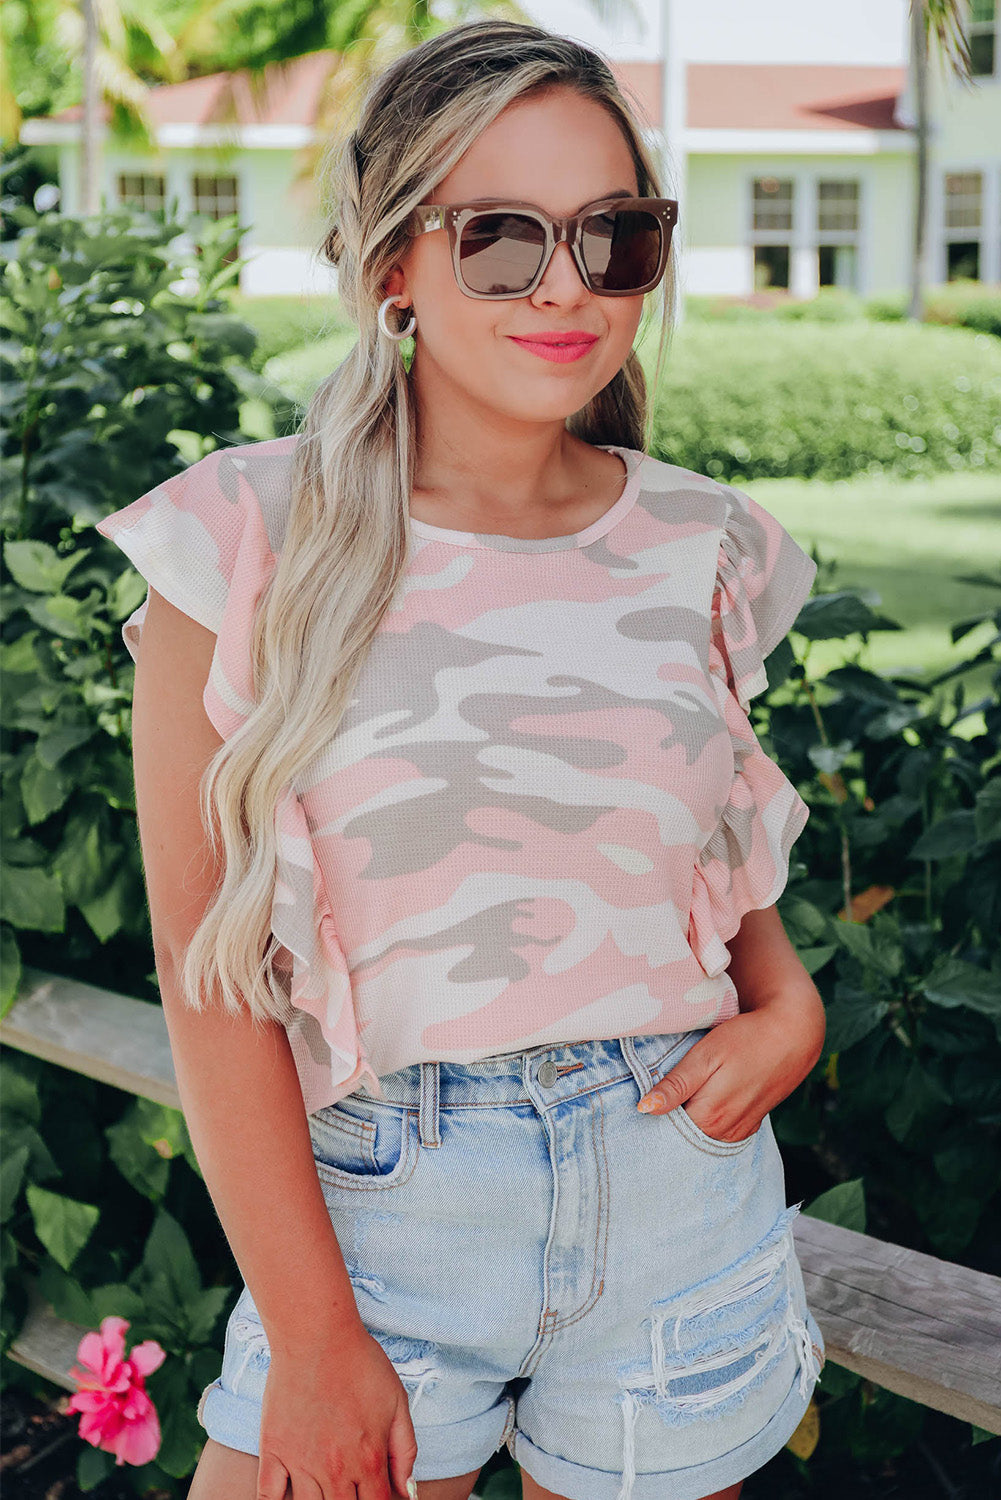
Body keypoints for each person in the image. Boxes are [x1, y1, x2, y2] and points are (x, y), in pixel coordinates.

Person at [95, 19, 827, 1500]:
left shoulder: (707, 546)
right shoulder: (238, 548)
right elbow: (208, 977)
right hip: (373, 1227)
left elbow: (704, 860)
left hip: (678, 1201)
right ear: (391, 267)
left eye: (613, 235)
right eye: (499, 237)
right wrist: (310, 1336)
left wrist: (788, 1005)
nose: (567, 286)